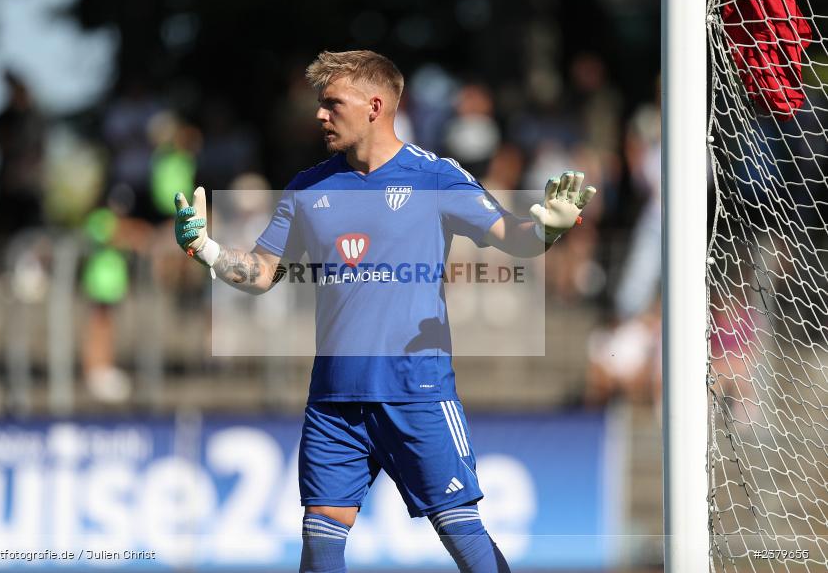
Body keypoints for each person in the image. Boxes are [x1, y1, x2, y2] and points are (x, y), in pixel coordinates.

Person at [173, 50, 596, 573]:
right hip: (334, 400)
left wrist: (549, 230)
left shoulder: (435, 177)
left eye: (332, 103)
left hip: (415, 391)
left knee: (463, 536)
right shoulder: (307, 188)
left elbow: (518, 239)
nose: (320, 115)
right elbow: (261, 273)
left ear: (375, 106)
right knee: (321, 542)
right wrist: (208, 250)